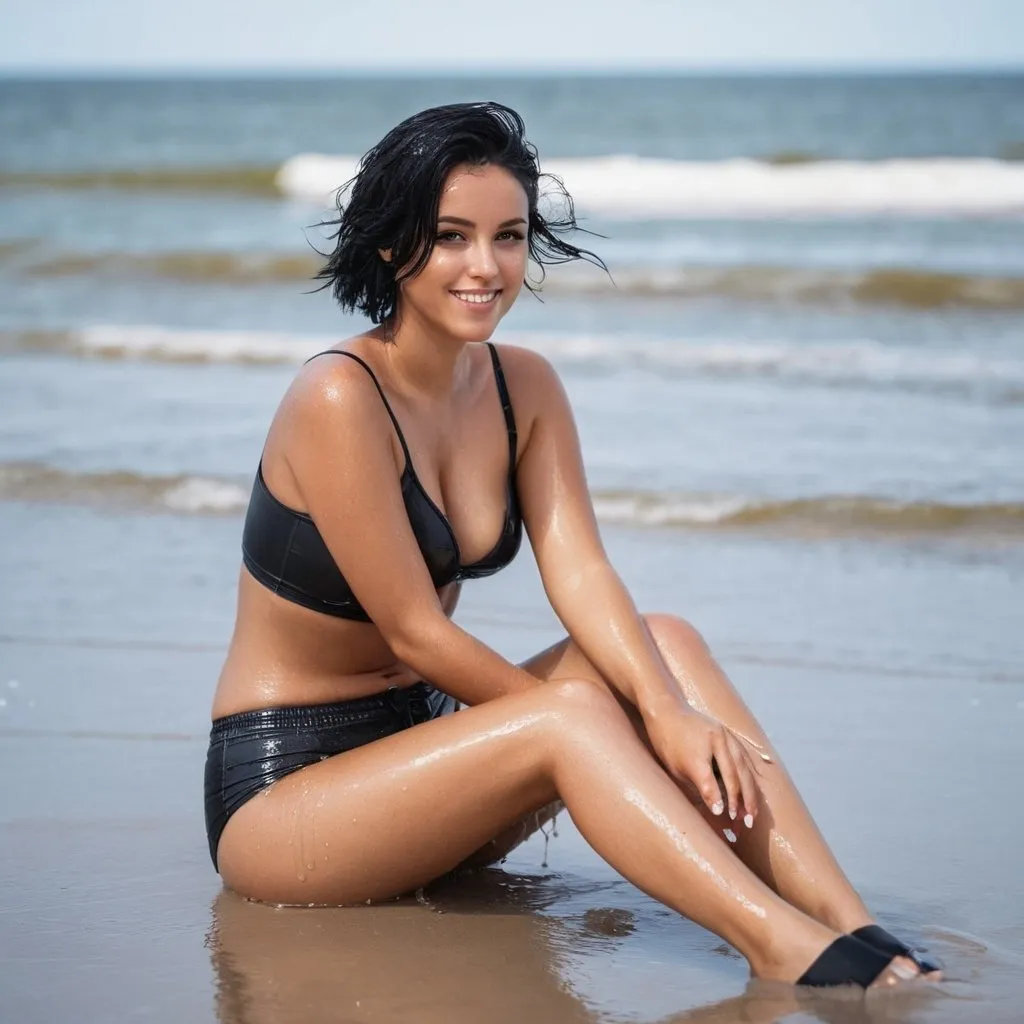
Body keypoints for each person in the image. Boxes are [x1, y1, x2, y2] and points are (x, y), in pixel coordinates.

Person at [204, 102, 940, 990]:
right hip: (292, 795)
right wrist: (602, 734)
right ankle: (782, 948)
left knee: (664, 644)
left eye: (508, 236)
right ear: (395, 245)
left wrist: (663, 712)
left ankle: (849, 921)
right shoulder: (337, 397)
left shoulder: (526, 387)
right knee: (578, 712)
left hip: (434, 754)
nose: (485, 266)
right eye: (450, 237)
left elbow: (582, 572)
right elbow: (415, 636)